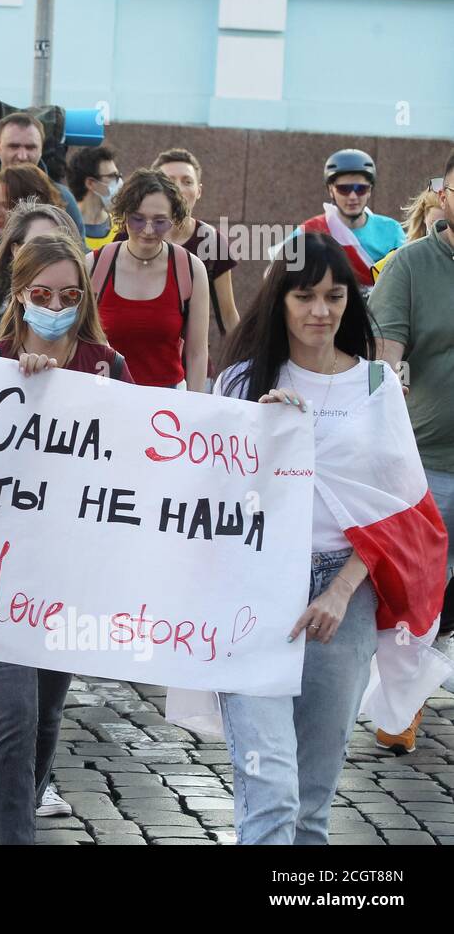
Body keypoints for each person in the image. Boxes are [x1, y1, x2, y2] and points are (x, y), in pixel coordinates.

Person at [214, 233, 446, 843]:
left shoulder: (377, 386)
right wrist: (261, 433)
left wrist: (342, 591)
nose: (321, 310)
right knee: (271, 795)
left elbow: (400, 513)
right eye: (305, 296)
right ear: (279, 300)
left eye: (335, 296)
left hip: (344, 595)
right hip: (255, 593)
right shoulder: (241, 381)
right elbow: (208, 495)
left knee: (312, 805)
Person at [0, 230, 136, 843]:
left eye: (69, 292)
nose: (54, 303)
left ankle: (29, 798)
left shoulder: (107, 366)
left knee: (46, 711)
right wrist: (24, 390)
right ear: (18, 294)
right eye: (41, 291)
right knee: (12, 715)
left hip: (72, 573)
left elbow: (129, 461)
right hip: (2, 573)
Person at [371, 148, 454, 750]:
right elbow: (385, 363)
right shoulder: (410, 266)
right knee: (424, 591)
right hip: (434, 463)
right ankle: (403, 703)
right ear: (444, 197)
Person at [88, 169, 210, 391]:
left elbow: (197, 353)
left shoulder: (191, 270)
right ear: (124, 216)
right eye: (138, 219)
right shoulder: (95, 265)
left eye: (160, 221)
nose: (148, 230)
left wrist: (194, 408)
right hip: (105, 397)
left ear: (174, 219)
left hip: (167, 402)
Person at [0, 200, 79, 352]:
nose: (50, 258)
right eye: (38, 247)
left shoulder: (85, 325)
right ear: (15, 250)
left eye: (61, 247)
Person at [269, 149, 405, 289]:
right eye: (343, 189)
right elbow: (274, 271)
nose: (352, 196)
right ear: (330, 190)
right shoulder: (311, 229)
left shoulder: (391, 230)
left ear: (370, 190)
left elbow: (407, 278)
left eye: (360, 189)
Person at [152, 149, 240, 342]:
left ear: (198, 191)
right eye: (168, 180)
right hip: (131, 361)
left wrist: (248, 364)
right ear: (151, 188)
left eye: (187, 181)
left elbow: (228, 317)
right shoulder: (130, 234)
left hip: (191, 361)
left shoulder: (212, 241)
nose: (177, 188)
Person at [371, 179, 446, 279]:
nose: (441, 233)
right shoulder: (398, 261)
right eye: (436, 225)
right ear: (424, 217)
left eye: (449, 225)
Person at [68, 144, 121, 251]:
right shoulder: (65, 227)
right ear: (90, 183)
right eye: (112, 176)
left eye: (119, 176)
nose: (119, 182)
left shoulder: (121, 226)